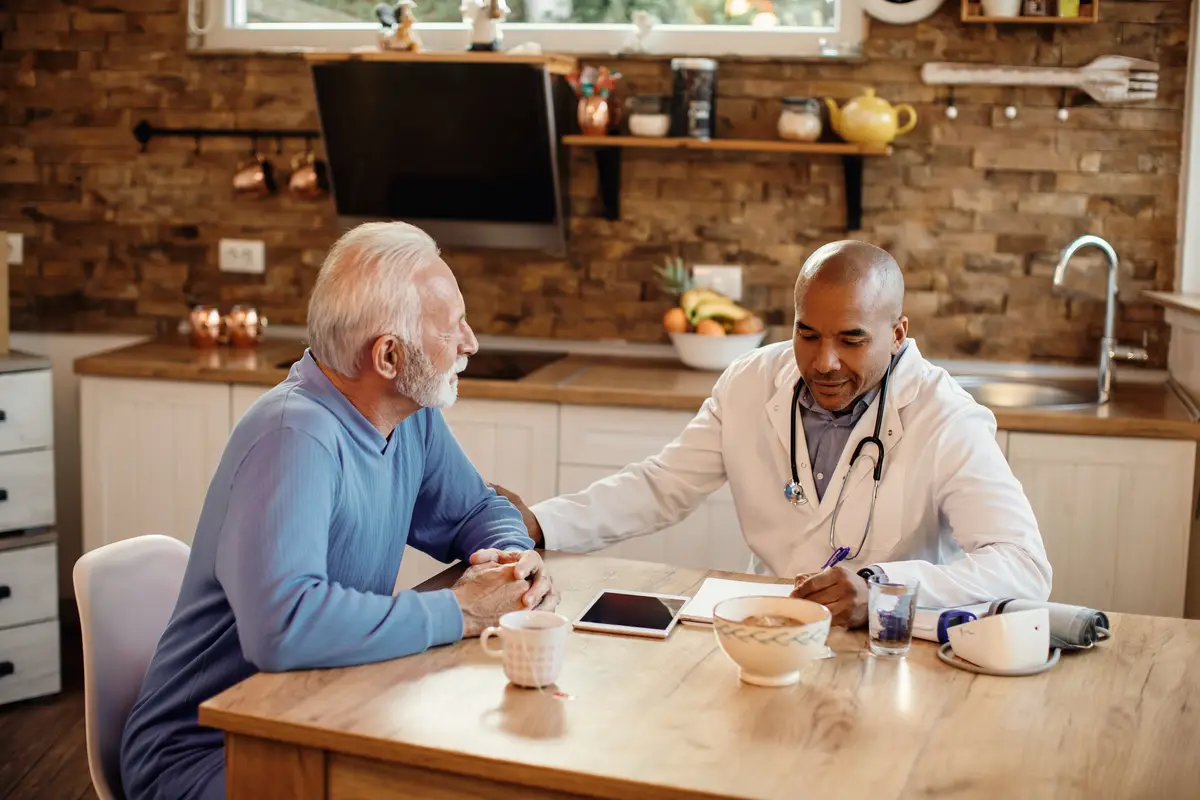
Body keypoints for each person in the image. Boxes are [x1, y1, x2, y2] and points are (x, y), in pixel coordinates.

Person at [120, 222, 556, 800]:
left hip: (318, 711)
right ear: (389, 355)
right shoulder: (293, 436)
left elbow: (474, 508)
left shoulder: (410, 416)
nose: (470, 342)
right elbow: (284, 626)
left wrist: (512, 561)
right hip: (210, 748)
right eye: (453, 327)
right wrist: (461, 610)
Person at [494, 240, 1051, 628]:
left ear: (898, 334)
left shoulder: (945, 416)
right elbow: (662, 486)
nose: (825, 361)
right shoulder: (751, 381)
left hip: (892, 646)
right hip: (769, 633)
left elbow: (1023, 567)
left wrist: (882, 587)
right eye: (807, 334)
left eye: (852, 341)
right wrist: (543, 522)